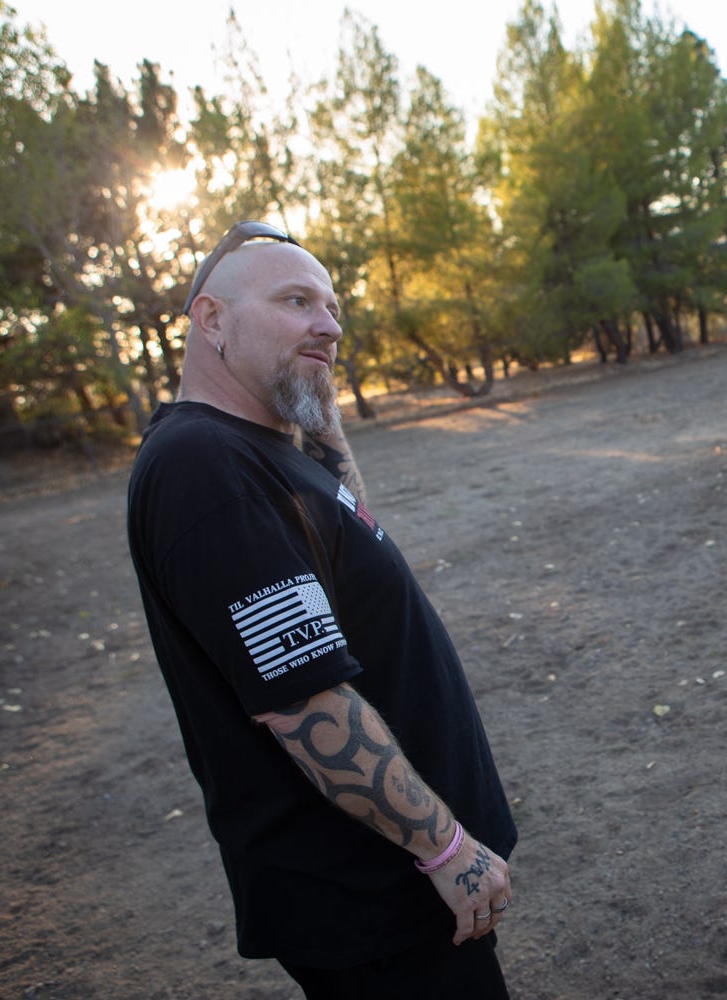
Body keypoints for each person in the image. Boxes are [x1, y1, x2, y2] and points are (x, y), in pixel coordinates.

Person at [126, 221, 517, 998]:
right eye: (297, 301)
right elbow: (303, 701)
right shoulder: (204, 466)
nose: (331, 326)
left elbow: (351, 535)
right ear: (212, 321)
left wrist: (322, 421)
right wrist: (445, 850)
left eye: (332, 307)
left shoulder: (261, 448)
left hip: (390, 868)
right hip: (370, 888)